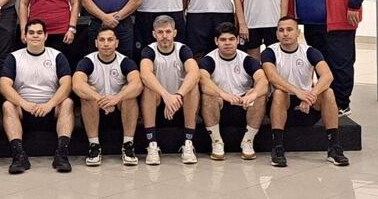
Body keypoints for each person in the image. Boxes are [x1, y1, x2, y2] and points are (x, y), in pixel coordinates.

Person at [261, 17, 350, 167]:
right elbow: (273, 78)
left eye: (289, 29)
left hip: (307, 106)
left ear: (298, 32)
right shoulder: (270, 52)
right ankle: (277, 147)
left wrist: (311, 94)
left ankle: (334, 148)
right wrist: (298, 92)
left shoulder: (310, 51)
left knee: (328, 92)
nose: (285, 34)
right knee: (279, 92)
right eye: (281, 30)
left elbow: (328, 75)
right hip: (281, 106)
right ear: (276, 34)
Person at [0, 19, 74, 174]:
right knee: (7, 105)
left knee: (67, 102)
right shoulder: (14, 57)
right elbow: (4, 86)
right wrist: (23, 103)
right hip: (24, 109)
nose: (35, 36)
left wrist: (50, 104)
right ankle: (19, 156)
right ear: (25, 36)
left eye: (39, 32)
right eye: (31, 32)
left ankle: (62, 154)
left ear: (46, 36)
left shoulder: (57, 56)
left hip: (50, 109)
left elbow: (67, 85)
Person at [72, 26, 142, 167]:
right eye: (102, 40)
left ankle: (128, 145)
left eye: (110, 40)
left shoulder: (125, 61)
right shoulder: (87, 61)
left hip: (119, 104)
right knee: (87, 92)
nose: (106, 44)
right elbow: (77, 84)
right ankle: (94, 146)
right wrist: (99, 98)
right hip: (96, 105)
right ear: (96, 43)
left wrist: (117, 98)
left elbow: (138, 84)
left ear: (116, 43)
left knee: (129, 92)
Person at [198, 23, 268, 160]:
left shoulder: (247, 59)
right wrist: (222, 94)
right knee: (208, 95)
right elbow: (203, 81)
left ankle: (248, 141)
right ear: (216, 42)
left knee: (259, 94)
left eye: (231, 39)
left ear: (237, 40)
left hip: (243, 105)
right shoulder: (208, 60)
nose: (227, 43)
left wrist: (253, 94)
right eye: (223, 40)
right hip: (220, 106)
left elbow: (263, 81)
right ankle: (217, 142)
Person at [139, 15, 200, 165]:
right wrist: (166, 95)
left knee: (193, 86)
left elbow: (194, 72)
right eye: (160, 32)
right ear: (154, 34)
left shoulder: (183, 49)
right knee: (148, 88)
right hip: (159, 101)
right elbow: (145, 74)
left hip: (179, 102)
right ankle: (152, 144)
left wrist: (178, 95)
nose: (164, 36)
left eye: (168, 31)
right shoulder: (149, 51)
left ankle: (188, 143)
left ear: (174, 33)